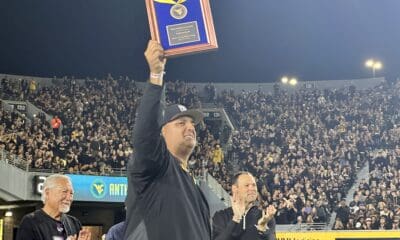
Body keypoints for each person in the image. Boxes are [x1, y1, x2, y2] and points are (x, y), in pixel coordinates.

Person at [123, 40, 211, 240]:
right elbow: (145, 135)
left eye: (192, 124)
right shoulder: (155, 165)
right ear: (161, 132)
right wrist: (156, 75)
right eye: (180, 123)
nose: (190, 127)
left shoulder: (196, 189)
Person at [16, 174, 91, 240]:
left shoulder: (74, 223)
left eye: (71, 193)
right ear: (47, 193)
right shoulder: (30, 222)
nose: (69, 198)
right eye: (64, 191)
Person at [212, 172, 277, 240]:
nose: (252, 189)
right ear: (235, 189)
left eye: (254, 185)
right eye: (247, 185)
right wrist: (235, 219)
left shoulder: (265, 217)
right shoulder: (221, 216)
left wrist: (262, 228)